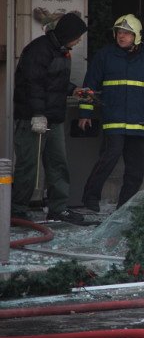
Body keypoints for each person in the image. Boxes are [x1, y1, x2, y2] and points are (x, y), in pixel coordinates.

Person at [78, 14, 144, 211]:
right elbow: (89, 86)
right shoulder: (105, 55)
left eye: (127, 33)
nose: (121, 36)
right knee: (107, 161)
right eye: (119, 32)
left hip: (139, 121)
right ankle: (90, 200)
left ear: (136, 36)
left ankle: (124, 207)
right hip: (114, 119)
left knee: (136, 169)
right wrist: (85, 113)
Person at [12, 12, 88, 223]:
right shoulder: (39, 50)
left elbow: (56, 84)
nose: (79, 40)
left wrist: (73, 90)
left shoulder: (62, 51)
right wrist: (37, 114)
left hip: (53, 119)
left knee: (58, 163)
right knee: (29, 166)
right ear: (68, 34)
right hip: (32, 120)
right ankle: (16, 210)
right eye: (77, 36)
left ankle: (59, 207)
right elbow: (33, 85)